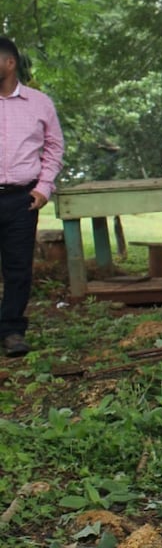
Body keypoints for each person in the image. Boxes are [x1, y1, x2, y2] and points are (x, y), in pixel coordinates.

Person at [0, 37, 63, 358]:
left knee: (17, 268)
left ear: (9, 63)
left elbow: (54, 147)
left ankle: (11, 331)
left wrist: (44, 187)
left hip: (21, 199)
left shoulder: (39, 103)